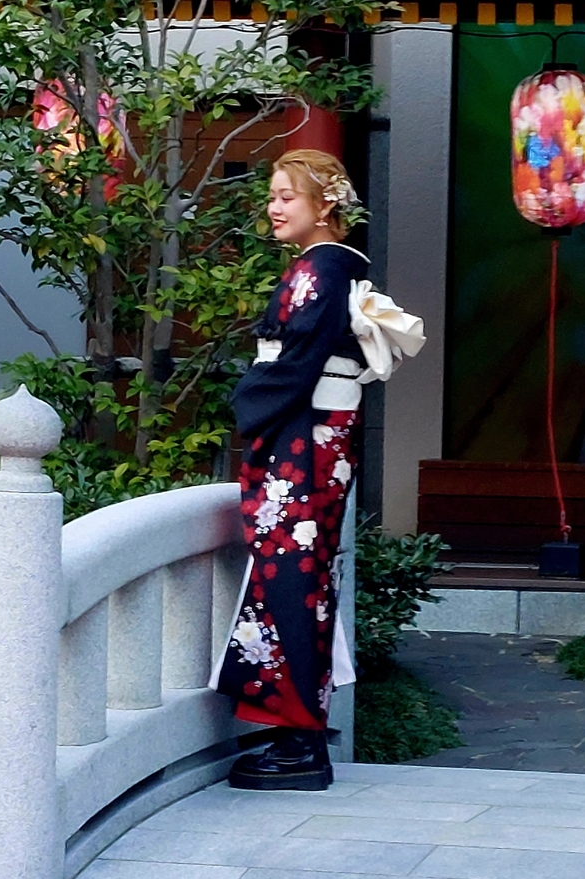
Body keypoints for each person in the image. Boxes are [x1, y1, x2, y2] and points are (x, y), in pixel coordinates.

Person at [211, 148, 424, 791]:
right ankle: (292, 733)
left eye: (286, 196)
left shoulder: (323, 268)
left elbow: (296, 359)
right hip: (313, 435)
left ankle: (303, 742)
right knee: (290, 580)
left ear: (323, 205)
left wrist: (248, 404)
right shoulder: (333, 267)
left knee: (292, 581)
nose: (273, 208)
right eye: (273, 196)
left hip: (305, 436)